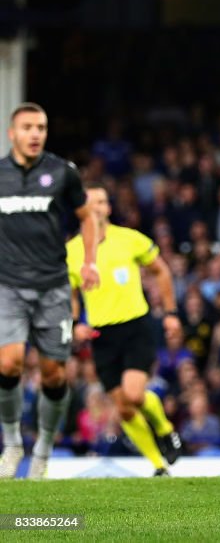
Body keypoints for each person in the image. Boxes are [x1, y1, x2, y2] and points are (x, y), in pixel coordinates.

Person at [0, 103, 99, 479]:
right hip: (7, 286)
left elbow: (86, 216)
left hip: (53, 287)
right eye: (27, 127)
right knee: (7, 362)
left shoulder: (62, 172)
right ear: (13, 133)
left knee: (54, 375)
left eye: (41, 127)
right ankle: (11, 444)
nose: (35, 134)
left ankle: (42, 451)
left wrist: (89, 261)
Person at [67, 183, 183, 477]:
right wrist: (74, 322)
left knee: (133, 394)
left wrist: (170, 313)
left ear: (108, 208)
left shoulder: (129, 239)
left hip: (135, 327)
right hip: (101, 335)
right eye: (90, 203)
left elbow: (162, 270)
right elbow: (68, 292)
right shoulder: (71, 251)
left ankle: (165, 427)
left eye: (102, 202)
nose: (97, 207)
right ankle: (158, 465)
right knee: (124, 408)